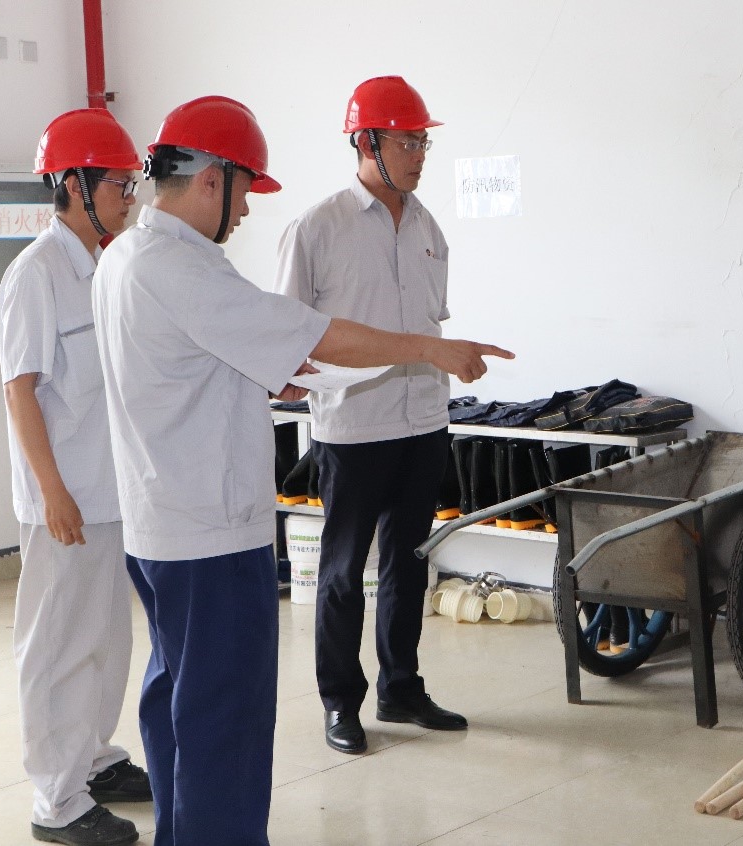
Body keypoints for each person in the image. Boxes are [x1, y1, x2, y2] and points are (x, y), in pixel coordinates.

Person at [92, 94, 511, 846]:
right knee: (225, 715)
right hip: (211, 532)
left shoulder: (127, 254)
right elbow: (314, 332)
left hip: (163, 524)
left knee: (178, 696)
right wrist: (431, 349)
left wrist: (276, 369)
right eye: (245, 190)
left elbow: (216, 358)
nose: (247, 209)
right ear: (212, 179)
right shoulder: (181, 266)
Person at [274, 76, 467, 755]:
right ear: (365, 142)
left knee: (408, 565)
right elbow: (287, 332)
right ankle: (340, 702)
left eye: (422, 142)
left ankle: (401, 687)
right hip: (353, 429)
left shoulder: (427, 226)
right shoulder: (316, 228)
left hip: (423, 422)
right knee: (342, 573)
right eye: (406, 141)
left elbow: (431, 322)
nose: (418, 155)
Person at [0, 109, 151, 846]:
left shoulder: (107, 267)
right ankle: (55, 800)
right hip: (64, 498)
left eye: (130, 183)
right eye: (118, 184)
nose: (129, 198)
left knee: (106, 639)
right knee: (57, 644)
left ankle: (94, 758)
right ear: (73, 185)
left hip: (112, 490)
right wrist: (52, 491)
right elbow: (20, 389)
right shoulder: (36, 274)